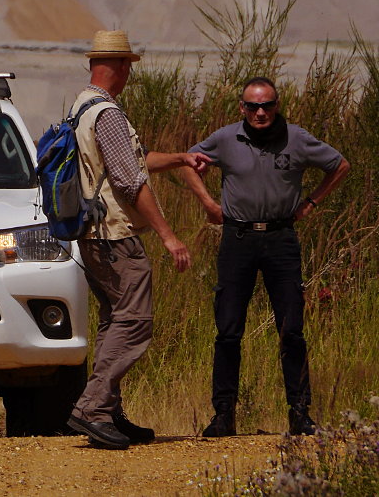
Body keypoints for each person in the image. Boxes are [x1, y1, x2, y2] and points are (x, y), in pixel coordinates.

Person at [65, 30, 211, 450]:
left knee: (115, 319)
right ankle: (92, 408)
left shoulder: (81, 107)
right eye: (128, 65)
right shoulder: (106, 113)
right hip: (115, 236)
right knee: (134, 320)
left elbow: (135, 160)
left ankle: (108, 412)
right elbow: (130, 181)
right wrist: (169, 236)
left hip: (91, 234)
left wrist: (180, 157)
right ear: (122, 65)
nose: (129, 73)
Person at [182, 77, 350, 437]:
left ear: (277, 106)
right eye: (253, 106)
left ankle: (300, 414)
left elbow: (340, 165)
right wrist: (209, 203)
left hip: (280, 239)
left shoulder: (298, 138)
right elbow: (187, 162)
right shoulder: (226, 138)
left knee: (292, 329)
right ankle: (223, 415)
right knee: (228, 330)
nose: (261, 112)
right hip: (237, 239)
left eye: (267, 105)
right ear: (242, 108)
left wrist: (311, 203)